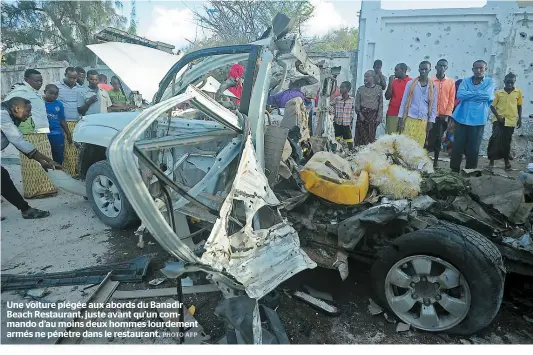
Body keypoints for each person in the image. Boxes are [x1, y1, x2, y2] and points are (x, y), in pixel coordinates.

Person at [1, 97, 61, 219]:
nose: (30, 114)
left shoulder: (8, 115)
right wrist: (44, 160)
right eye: (28, 111)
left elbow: (19, 144)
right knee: (2, 178)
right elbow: (18, 141)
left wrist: (45, 160)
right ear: (17, 109)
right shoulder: (2, 115)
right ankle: (26, 210)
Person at [4, 69, 57, 198]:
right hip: (28, 130)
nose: (39, 83)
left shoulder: (34, 92)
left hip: (40, 130)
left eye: (41, 81)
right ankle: (33, 191)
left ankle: (46, 188)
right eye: (36, 80)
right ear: (27, 80)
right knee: (31, 161)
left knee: (44, 158)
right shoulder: (20, 91)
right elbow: (8, 104)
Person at [450, 60, 495, 172]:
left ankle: (470, 171)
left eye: (481, 68)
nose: (478, 70)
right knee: (457, 147)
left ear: (486, 69)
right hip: (461, 118)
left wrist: (469, 94)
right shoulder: (465, 81)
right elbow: (460, 95)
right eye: (476, 68)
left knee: (473, 149)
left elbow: (487, 96)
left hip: (478, 120)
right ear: (472, 69)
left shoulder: (490, 82)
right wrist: (479, 93)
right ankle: (454, 170)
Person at [488, 73, 523, 171]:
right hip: (498, 121)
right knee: (495, 140)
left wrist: (519, 119)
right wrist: (498, 117)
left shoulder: (518, 92)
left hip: (511, 121)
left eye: (512, 82)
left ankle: (506, 162)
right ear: (504, 81)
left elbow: (519, 106)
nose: (509, 84)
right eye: (508, 82)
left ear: (514, 82)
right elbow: (492, 106)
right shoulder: (498, 93)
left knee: (507, 142)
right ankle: (491, 161)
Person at [398, 61, 437, 146]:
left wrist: (431, 121)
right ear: (419, 69)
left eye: (425, 69)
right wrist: (401, 117)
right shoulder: (410, 83)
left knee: (419, 146)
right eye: (421, 69)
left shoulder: (433, 86)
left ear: (429, 70)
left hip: (423, 120)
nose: (423, 71)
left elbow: (433, 105)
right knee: (406, 144)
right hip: (410, 117)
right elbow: (404, 101)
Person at [427, 59, 456, 168]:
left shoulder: (450, 82)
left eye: (444, 66)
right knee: (428, 137)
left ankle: (435, 161)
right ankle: (424, 159)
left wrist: (447, 114)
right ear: (436, 67)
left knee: (439, 138)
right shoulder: (430, 80)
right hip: (430, 115)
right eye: (440, 66)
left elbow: (451, 99)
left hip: (442, 116)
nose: (442, 68)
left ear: (446, 68)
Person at [56, 67, 80, 176]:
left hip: (78, 122)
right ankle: (70, 171)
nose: (72, 80)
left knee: (77, 148)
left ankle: (77, 170)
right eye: (70, 77)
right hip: (64, 123)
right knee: (68, 147)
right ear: (65, 75)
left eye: (75, 78)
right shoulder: (57, 86)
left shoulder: (80, 88)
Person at [354, 71, 384, 146]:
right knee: (360, 137)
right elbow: (357, 103)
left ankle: (368, 155)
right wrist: (360, 114)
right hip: (362, 115)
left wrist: (379, 117)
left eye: (367, 76)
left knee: (370, 138)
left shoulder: (379, 89)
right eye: (364, 77)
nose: (365, 78)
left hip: (373, 116)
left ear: (373, 78)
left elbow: (380, 104)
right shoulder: (360, 89)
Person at [44, 84, 71, 164]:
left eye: (56, 94)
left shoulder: (59, 104)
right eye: (51, 93)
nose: (54, 96)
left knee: (58, 155)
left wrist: (68, 133)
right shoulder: (40, 103)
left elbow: (62, 120)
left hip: (57, 134)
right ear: (45, 92)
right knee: (46, 155)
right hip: (44, 134)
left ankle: (58, 172)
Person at [384, 63, 411, 134]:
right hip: (392, 113)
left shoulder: (411, 82)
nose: (394, 72)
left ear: (403, 70)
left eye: (396, 70)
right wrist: (390, 83)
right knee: (390, 137)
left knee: (402, 138)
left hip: (405, 114)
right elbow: (387, 97)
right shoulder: (393, 82)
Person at [331, 81, 356, 150]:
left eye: (342, 87)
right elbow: (330, 105)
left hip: (346, 123)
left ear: (347, 89)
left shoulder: (352, 100)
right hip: (338, 122)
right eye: (340, 87)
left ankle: (351, 151)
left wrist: (351, 120)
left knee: (349, 139)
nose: (340, 89)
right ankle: (335, 151)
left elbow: (353, 111)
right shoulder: (337, 99)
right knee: (336, 138)